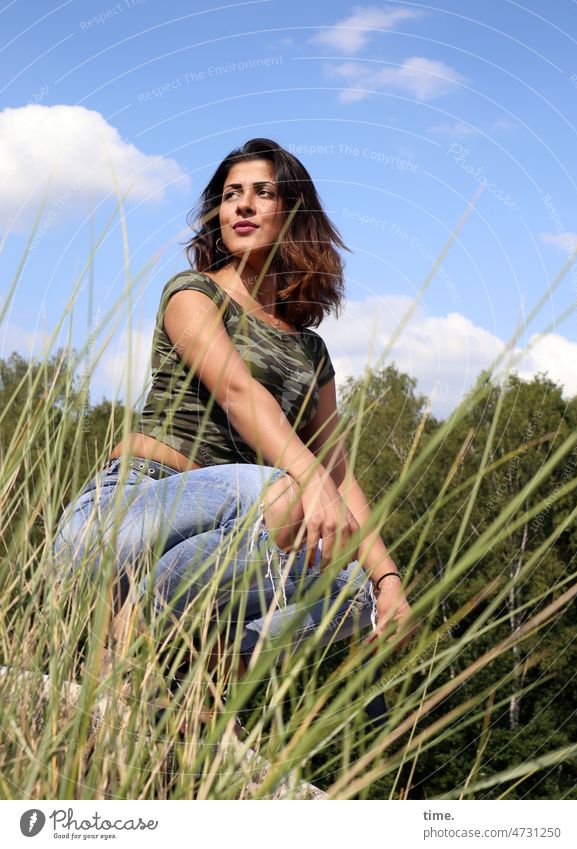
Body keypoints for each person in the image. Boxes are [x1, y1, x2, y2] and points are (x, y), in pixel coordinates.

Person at [53, 137, 414, 731]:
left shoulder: (310, 350)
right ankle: (161, 634)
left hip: (215, 543)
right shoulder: (193, 295)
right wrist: (306, 480)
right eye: (229, 195)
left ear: (294, 213)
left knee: (356, 594)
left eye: (262, 193)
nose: (241, 206)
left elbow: (338, 473)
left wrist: (388, 578)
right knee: (284, 489)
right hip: (122, 518)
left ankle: (184, 643)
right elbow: (242, 397)